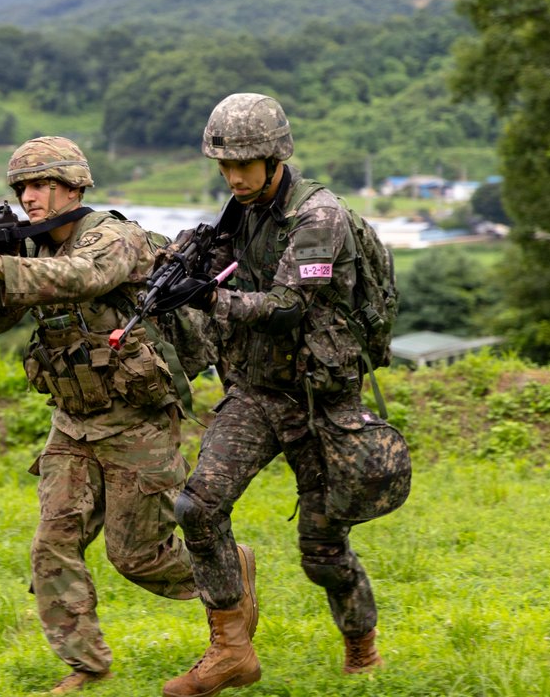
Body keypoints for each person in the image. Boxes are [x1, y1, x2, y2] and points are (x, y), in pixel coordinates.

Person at [0, 136, 207, 695]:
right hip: (72, 421)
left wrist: (0, 262)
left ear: (73, 186)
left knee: (138, 557)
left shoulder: (113, 236)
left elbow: (83, 277)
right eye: (23, 188)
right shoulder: (31, 251)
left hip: (137, 419)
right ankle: (87, 664)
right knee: (52, 545)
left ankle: (227, 575)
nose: (31, 197)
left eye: (42, 185)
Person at [161, 93, 385, 697]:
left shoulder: (320, 217)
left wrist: (209, 299)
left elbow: (289, 307)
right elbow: (225, 268)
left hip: (319, 397)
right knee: (197, 507)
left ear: (276, 156)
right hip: (258, 391)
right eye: (225, 166)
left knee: (322, 549)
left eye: (247, 164)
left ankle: (362, 647)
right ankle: (231, 650)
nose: (234, 177)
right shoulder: (241, 210)